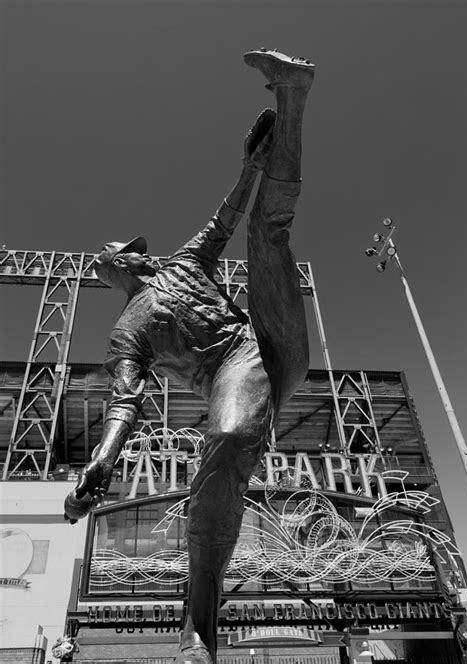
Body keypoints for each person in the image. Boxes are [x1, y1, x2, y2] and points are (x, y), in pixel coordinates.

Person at [64, 48, 314, 664]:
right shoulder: (128, 333)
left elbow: (225, 217)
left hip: (268, 342)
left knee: (266, 232)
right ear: (120, 267)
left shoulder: (182, 262)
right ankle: (198, 634)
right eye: (124, 253)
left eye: (127, 249)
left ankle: (294, 94)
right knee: (223, 443)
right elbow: (128, 401)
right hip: (237, 380)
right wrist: (101, 459)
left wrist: (253, 166)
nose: (132, 253)